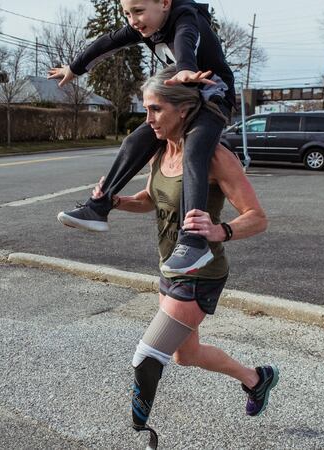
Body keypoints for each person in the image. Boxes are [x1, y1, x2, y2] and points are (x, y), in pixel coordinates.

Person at [90, 65, 279, 442]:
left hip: (201, 273)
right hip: (169, 267)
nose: (148, 120)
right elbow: (151, 200)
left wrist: (219, 230)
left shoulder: (215, 157)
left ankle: (141, 432)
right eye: (146, 109)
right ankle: (257, 378)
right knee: (185, 355)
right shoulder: (161, 151)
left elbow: (258, 218)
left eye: (156, 110)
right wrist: (116, 201)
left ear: (182, 110)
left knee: (148, 356)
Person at [50, 0, 236, 276]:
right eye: (126, 13)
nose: (133, 20)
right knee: (134, 141)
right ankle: (99, 207)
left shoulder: (185, 17)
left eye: (138, 11)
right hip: (181, 97)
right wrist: (75, 69)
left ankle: (194, 241)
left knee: (194, 152)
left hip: (212, 97)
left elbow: (187, 38)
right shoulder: (141, 28)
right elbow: (106, 43)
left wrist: (185, 66)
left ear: (164, 3)